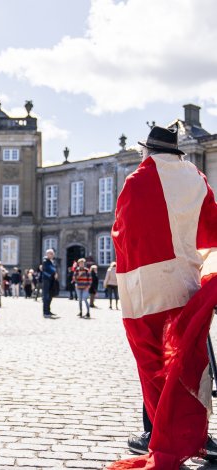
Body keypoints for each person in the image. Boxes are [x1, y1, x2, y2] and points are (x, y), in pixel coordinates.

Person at [108, 125, 217, 470]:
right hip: (186, 283)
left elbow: (123, 231)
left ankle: (156, 432)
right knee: (187, 358)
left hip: (147, 286)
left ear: (148, 151)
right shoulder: (197, 178)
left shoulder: (138, 180)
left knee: (153, 360)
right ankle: (193, 431)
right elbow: (211, 229)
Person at [41, 249, 57, 318]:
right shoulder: (45, 261)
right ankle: (45, 312)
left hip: (51, 280)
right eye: (50, 254)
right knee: (46, 296)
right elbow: (48, 270)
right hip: (46, 280)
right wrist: (54, 273)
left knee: (50, 295)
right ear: (47, 254)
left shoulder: (51, 261)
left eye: (52, 253)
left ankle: (48, 310)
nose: (52, 255)